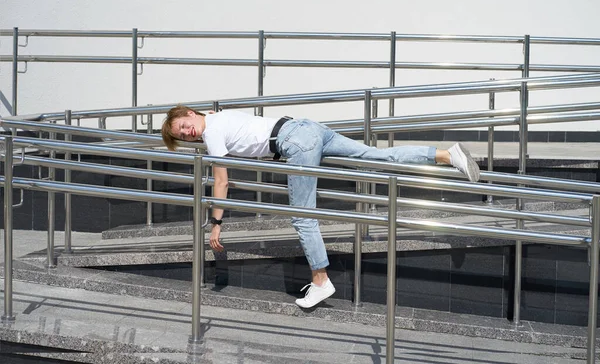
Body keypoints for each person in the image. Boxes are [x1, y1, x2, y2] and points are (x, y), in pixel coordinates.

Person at [161, 105, 480, 309]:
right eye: (184, 137)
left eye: (185, 127)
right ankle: (447, 155)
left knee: (302, 216)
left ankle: (320, 280)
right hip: (307, 128)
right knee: (374, 155)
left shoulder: (212, 133)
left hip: (295, 143)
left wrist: (215, 222)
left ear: (190, 113)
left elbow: (221, 181)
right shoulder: (219, 116)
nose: (190, 135)